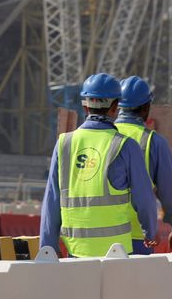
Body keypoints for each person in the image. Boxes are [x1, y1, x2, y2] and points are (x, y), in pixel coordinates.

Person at [40, 73, 158, 258]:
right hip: (117, 253)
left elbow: (52, 202)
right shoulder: (125, 146)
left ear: (84, 106)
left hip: (76, 252)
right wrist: (150, 233)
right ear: (115, 108)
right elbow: (144, 199)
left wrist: (47, 245)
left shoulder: (64, 144)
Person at [115, 76, 172, 255]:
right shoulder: (153, 141)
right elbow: (168, 194)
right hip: (138, 237)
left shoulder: (101, 135)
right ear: (147, 108)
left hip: (92, 236)